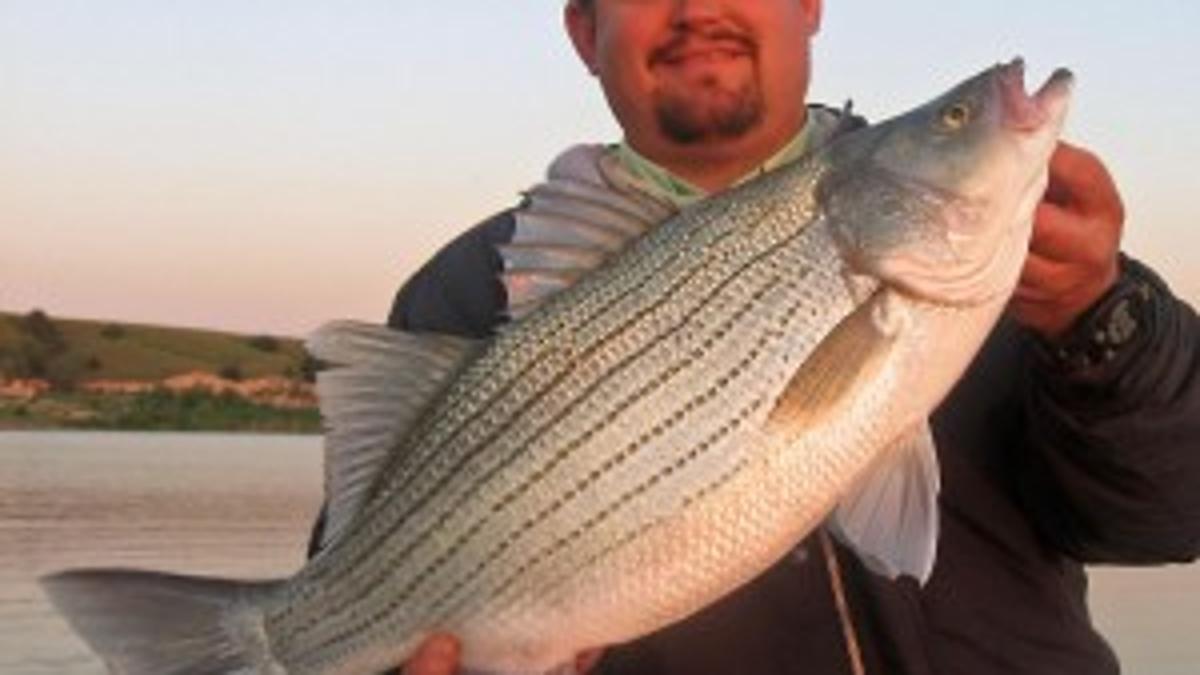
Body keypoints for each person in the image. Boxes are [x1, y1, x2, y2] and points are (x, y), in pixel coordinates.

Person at [349, 1, 1200, 673]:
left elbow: (1173, 516)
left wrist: (1100, 319)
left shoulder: (1044, 265)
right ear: (584, 29)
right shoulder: (464, 290)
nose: (694, 8)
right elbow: (364, 580)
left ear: (809, 4)